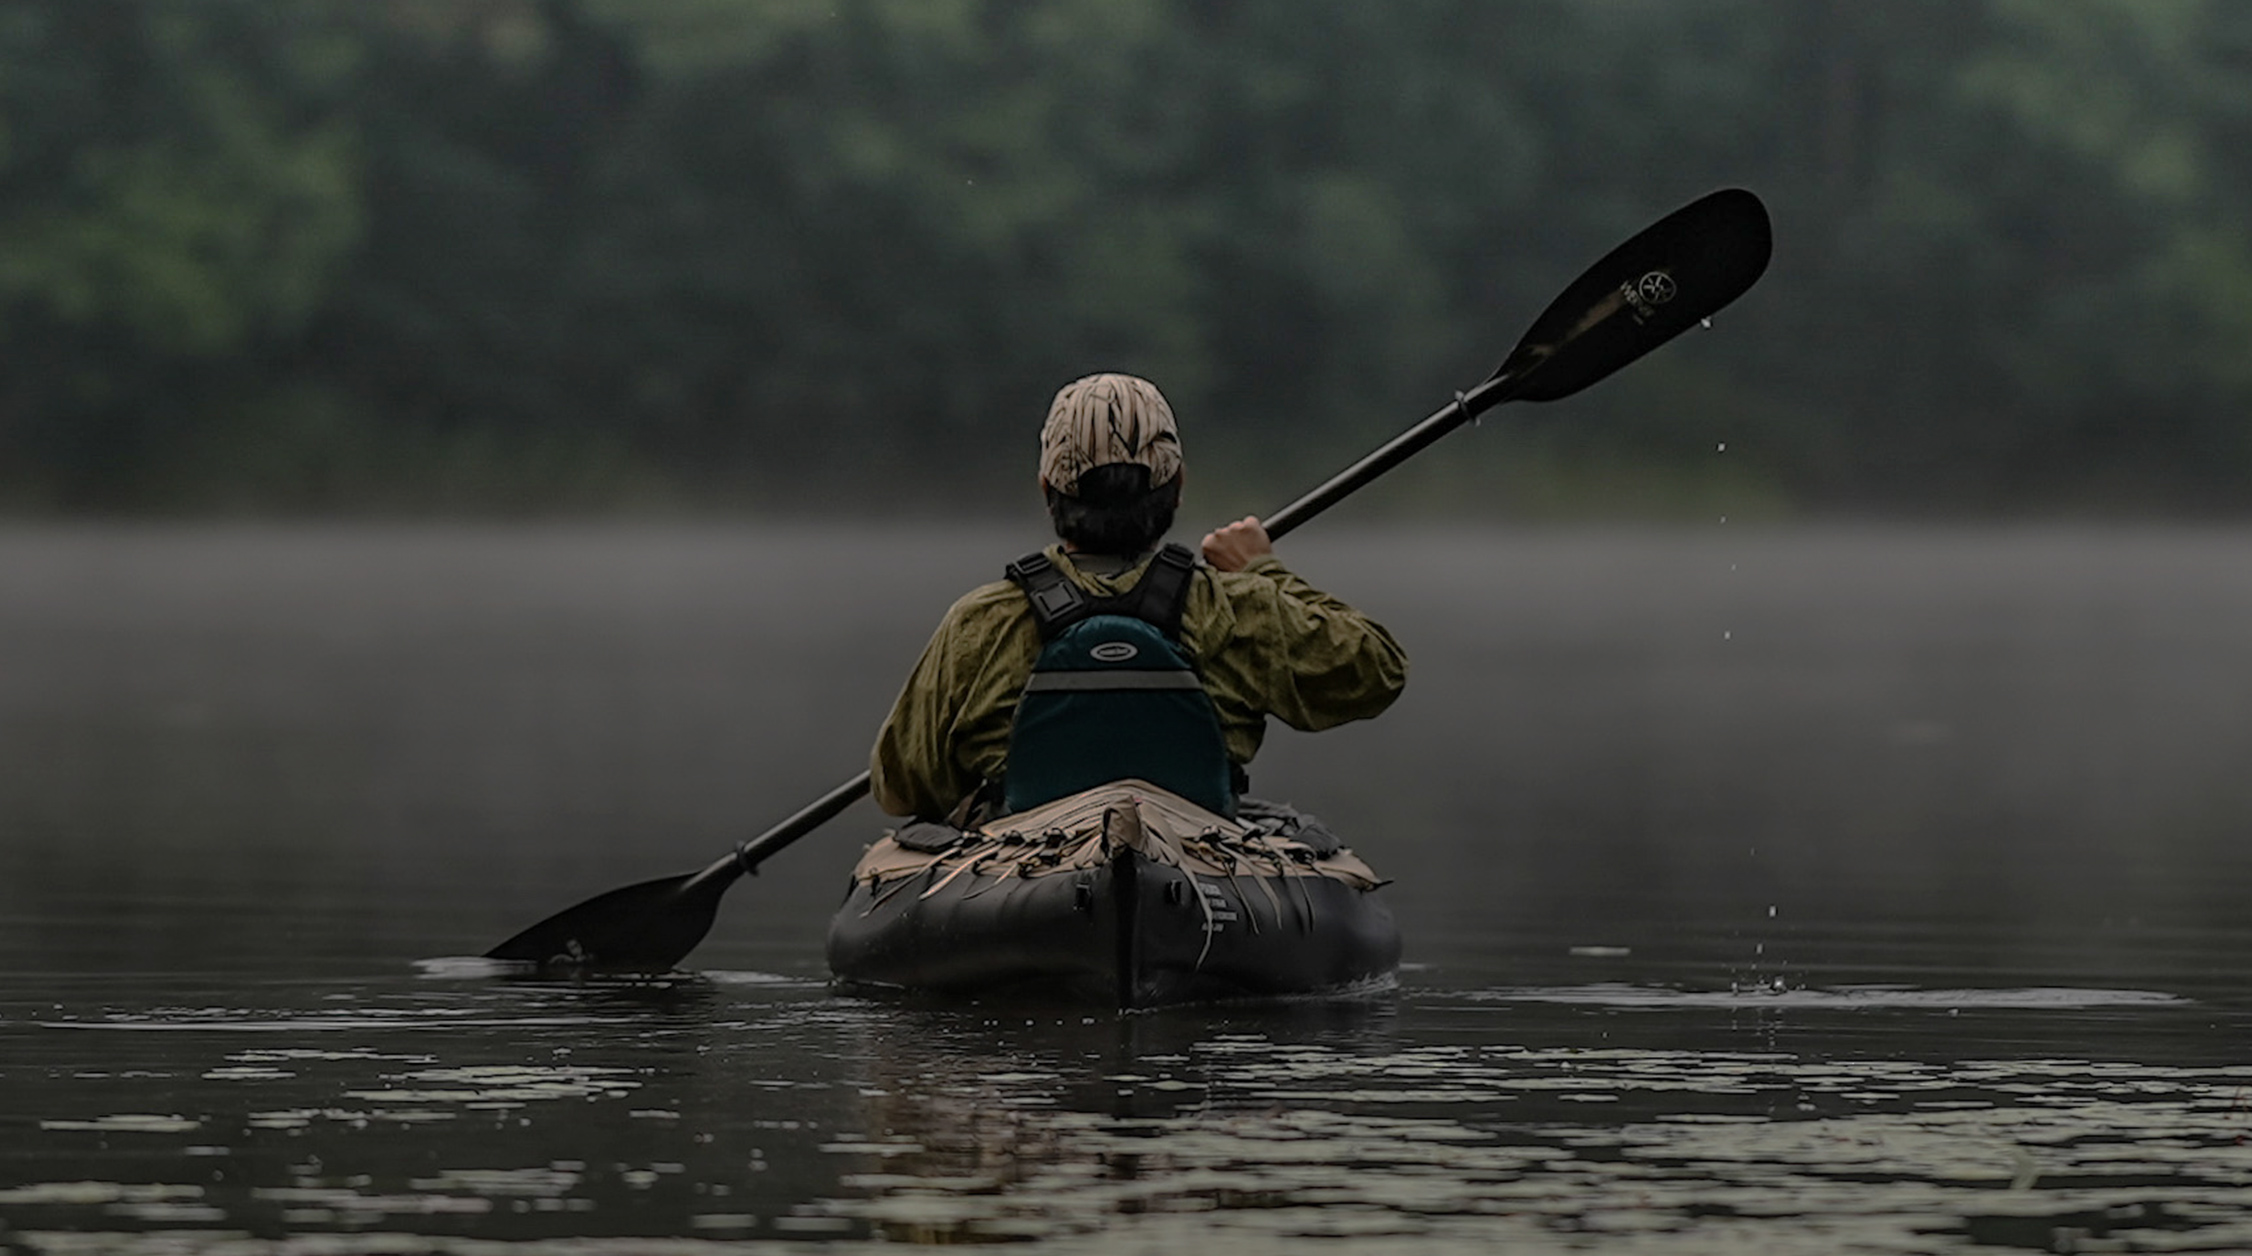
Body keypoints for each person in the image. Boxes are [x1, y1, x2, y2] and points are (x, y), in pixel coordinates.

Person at [869, 372, 1408, 823]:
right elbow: (1377, 670)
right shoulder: (1239, 607)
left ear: (1046, 490)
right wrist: (1265, 571)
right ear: (1177, 488)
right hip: (1194, 864)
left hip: (1030, 877)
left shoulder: (982, 622)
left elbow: (904, 788)